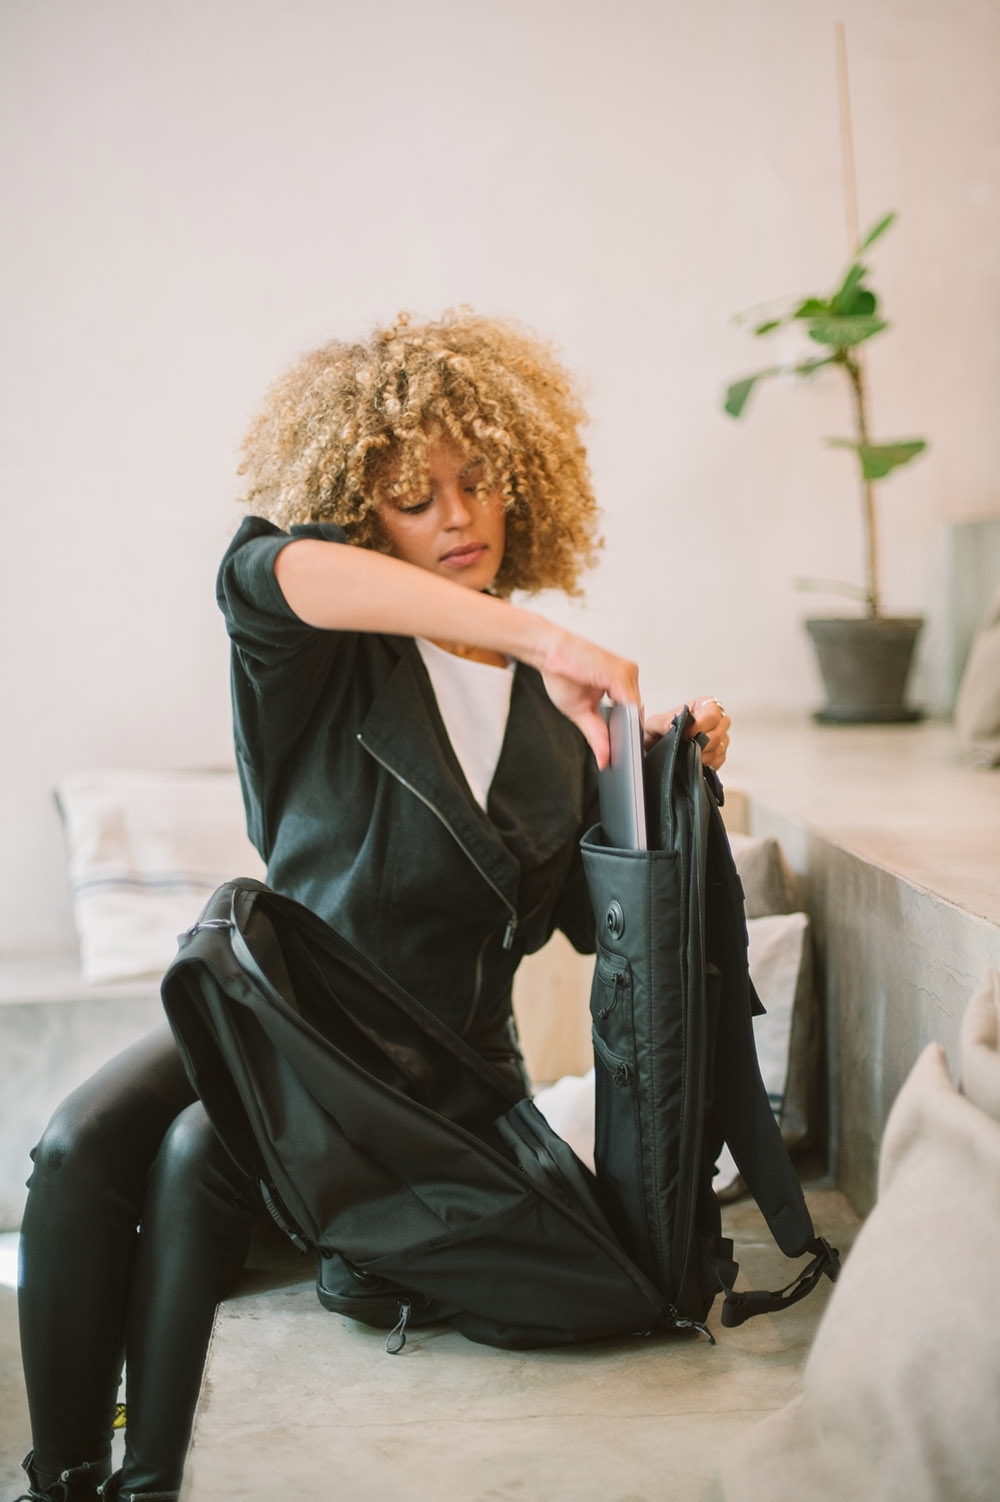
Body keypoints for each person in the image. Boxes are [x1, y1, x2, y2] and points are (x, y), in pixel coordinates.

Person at [15, 311, 730, 1502]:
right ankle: (61, 1475)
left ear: (521, 481)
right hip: (287, 1021)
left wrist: (666, 783)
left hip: (439, 1070)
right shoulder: (318, 657)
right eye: (412, 494)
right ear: (360, 510)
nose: (457, 515)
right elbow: (266, 568)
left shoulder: (560, 727)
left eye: (479, 479)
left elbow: (595, 923)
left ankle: (145, 1479)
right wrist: (545, 635)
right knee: (77, 1141)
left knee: (196, 1148)